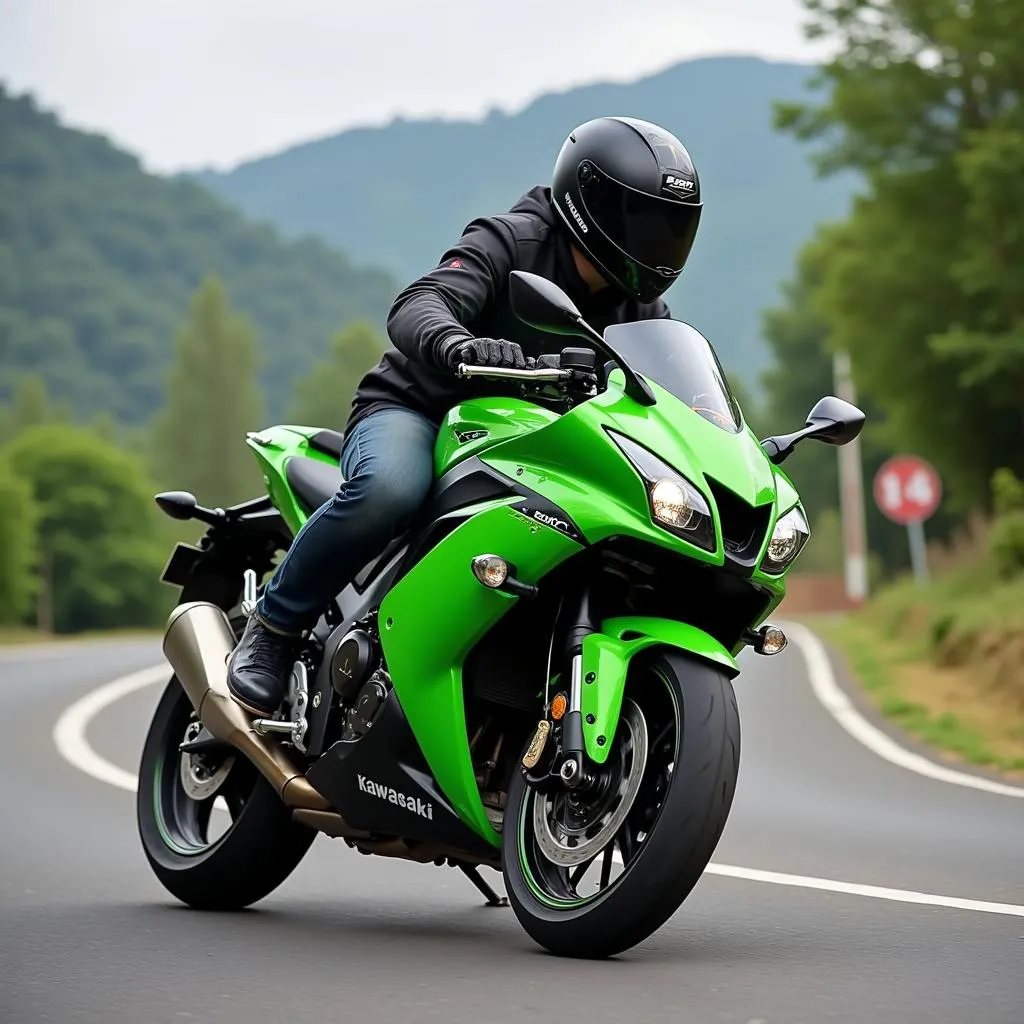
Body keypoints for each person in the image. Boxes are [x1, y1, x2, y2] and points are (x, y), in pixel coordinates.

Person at [226, 115, 704, 716]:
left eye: (672, 227)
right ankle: (272, 629)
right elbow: (419, 303)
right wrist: (456, 342)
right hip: (421, 411)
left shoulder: (642, 306)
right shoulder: (513, 240)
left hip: (531, 443)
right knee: (388, 489)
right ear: (592, 205)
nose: (658, 244)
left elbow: (659, 395)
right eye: (645, 222)